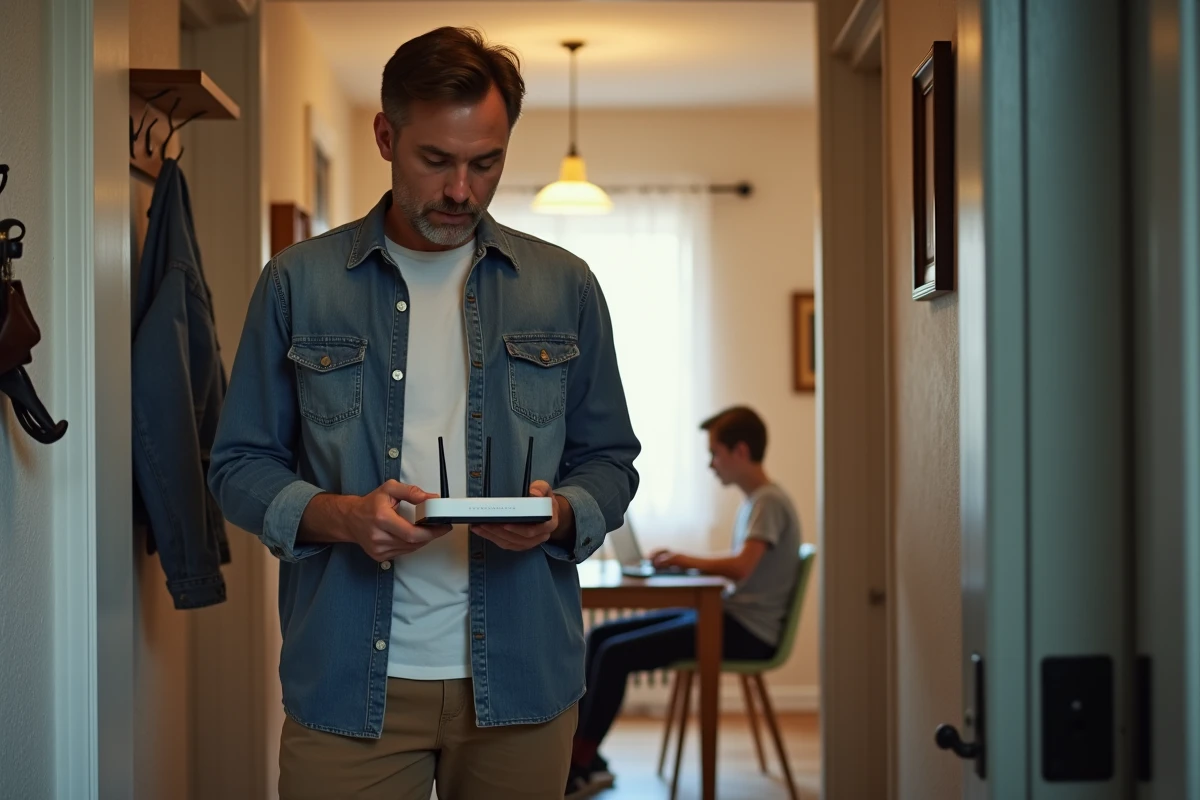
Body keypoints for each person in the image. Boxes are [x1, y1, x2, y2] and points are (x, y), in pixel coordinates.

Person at [207, 26, 640, 800]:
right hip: (347, 684)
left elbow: (610, 460)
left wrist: (565, 513)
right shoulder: (295, 283)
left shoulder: (564, 286)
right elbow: (236, 467)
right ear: (385, 135)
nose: (461, 191)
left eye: (486, 163)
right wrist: (343, 517)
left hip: (524, 683)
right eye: (436, 160)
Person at [566, 406, 801, 797]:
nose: (712, 464)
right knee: (604, 635)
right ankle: (588, 755)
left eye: (715, 453)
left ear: (740, 451)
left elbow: (742, 568)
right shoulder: (758, 501)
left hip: (746, 631)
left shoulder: (768, 502)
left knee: (616, 654)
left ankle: (578, 762)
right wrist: (682, 567)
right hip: (729, 617)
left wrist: (683, 560)